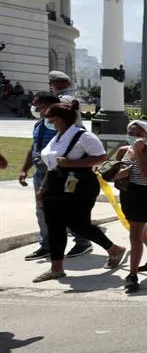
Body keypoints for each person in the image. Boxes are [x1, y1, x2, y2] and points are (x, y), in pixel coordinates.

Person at [32, 103, 127, 283]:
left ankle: (113, 248)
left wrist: (70, 164)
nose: (49, 120)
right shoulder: (58, 137)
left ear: (61, 118)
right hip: (55, 184)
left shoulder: (84, 136)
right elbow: (52, 164)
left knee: (78, 223)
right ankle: (57, 268)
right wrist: (43, 188)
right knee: (54, 226)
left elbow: (101, 158)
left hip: (79, 185)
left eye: (51, 117)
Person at [18, 91, 92, 260]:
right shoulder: (39, 125)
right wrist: (24, 169)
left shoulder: (70, 126)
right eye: (35, 105)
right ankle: (47, 245)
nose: (36, 109)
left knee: (70, 210)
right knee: (42, 210)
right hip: (41, 173)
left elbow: (87, 152)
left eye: (40, 106)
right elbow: (34, 148)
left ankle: (82, 241)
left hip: (63, 175)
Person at [112, 120, 147, 293]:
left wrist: (137, 153)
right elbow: (113, 173)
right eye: (130, 132)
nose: (133, 137)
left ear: (146, 135)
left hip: (143, 197)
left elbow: (145, 175)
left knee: (135, 234)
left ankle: (132, 274)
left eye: (138, 133)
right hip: (127, 194)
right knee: (142, 231)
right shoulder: (123, 150)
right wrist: (119, 174)